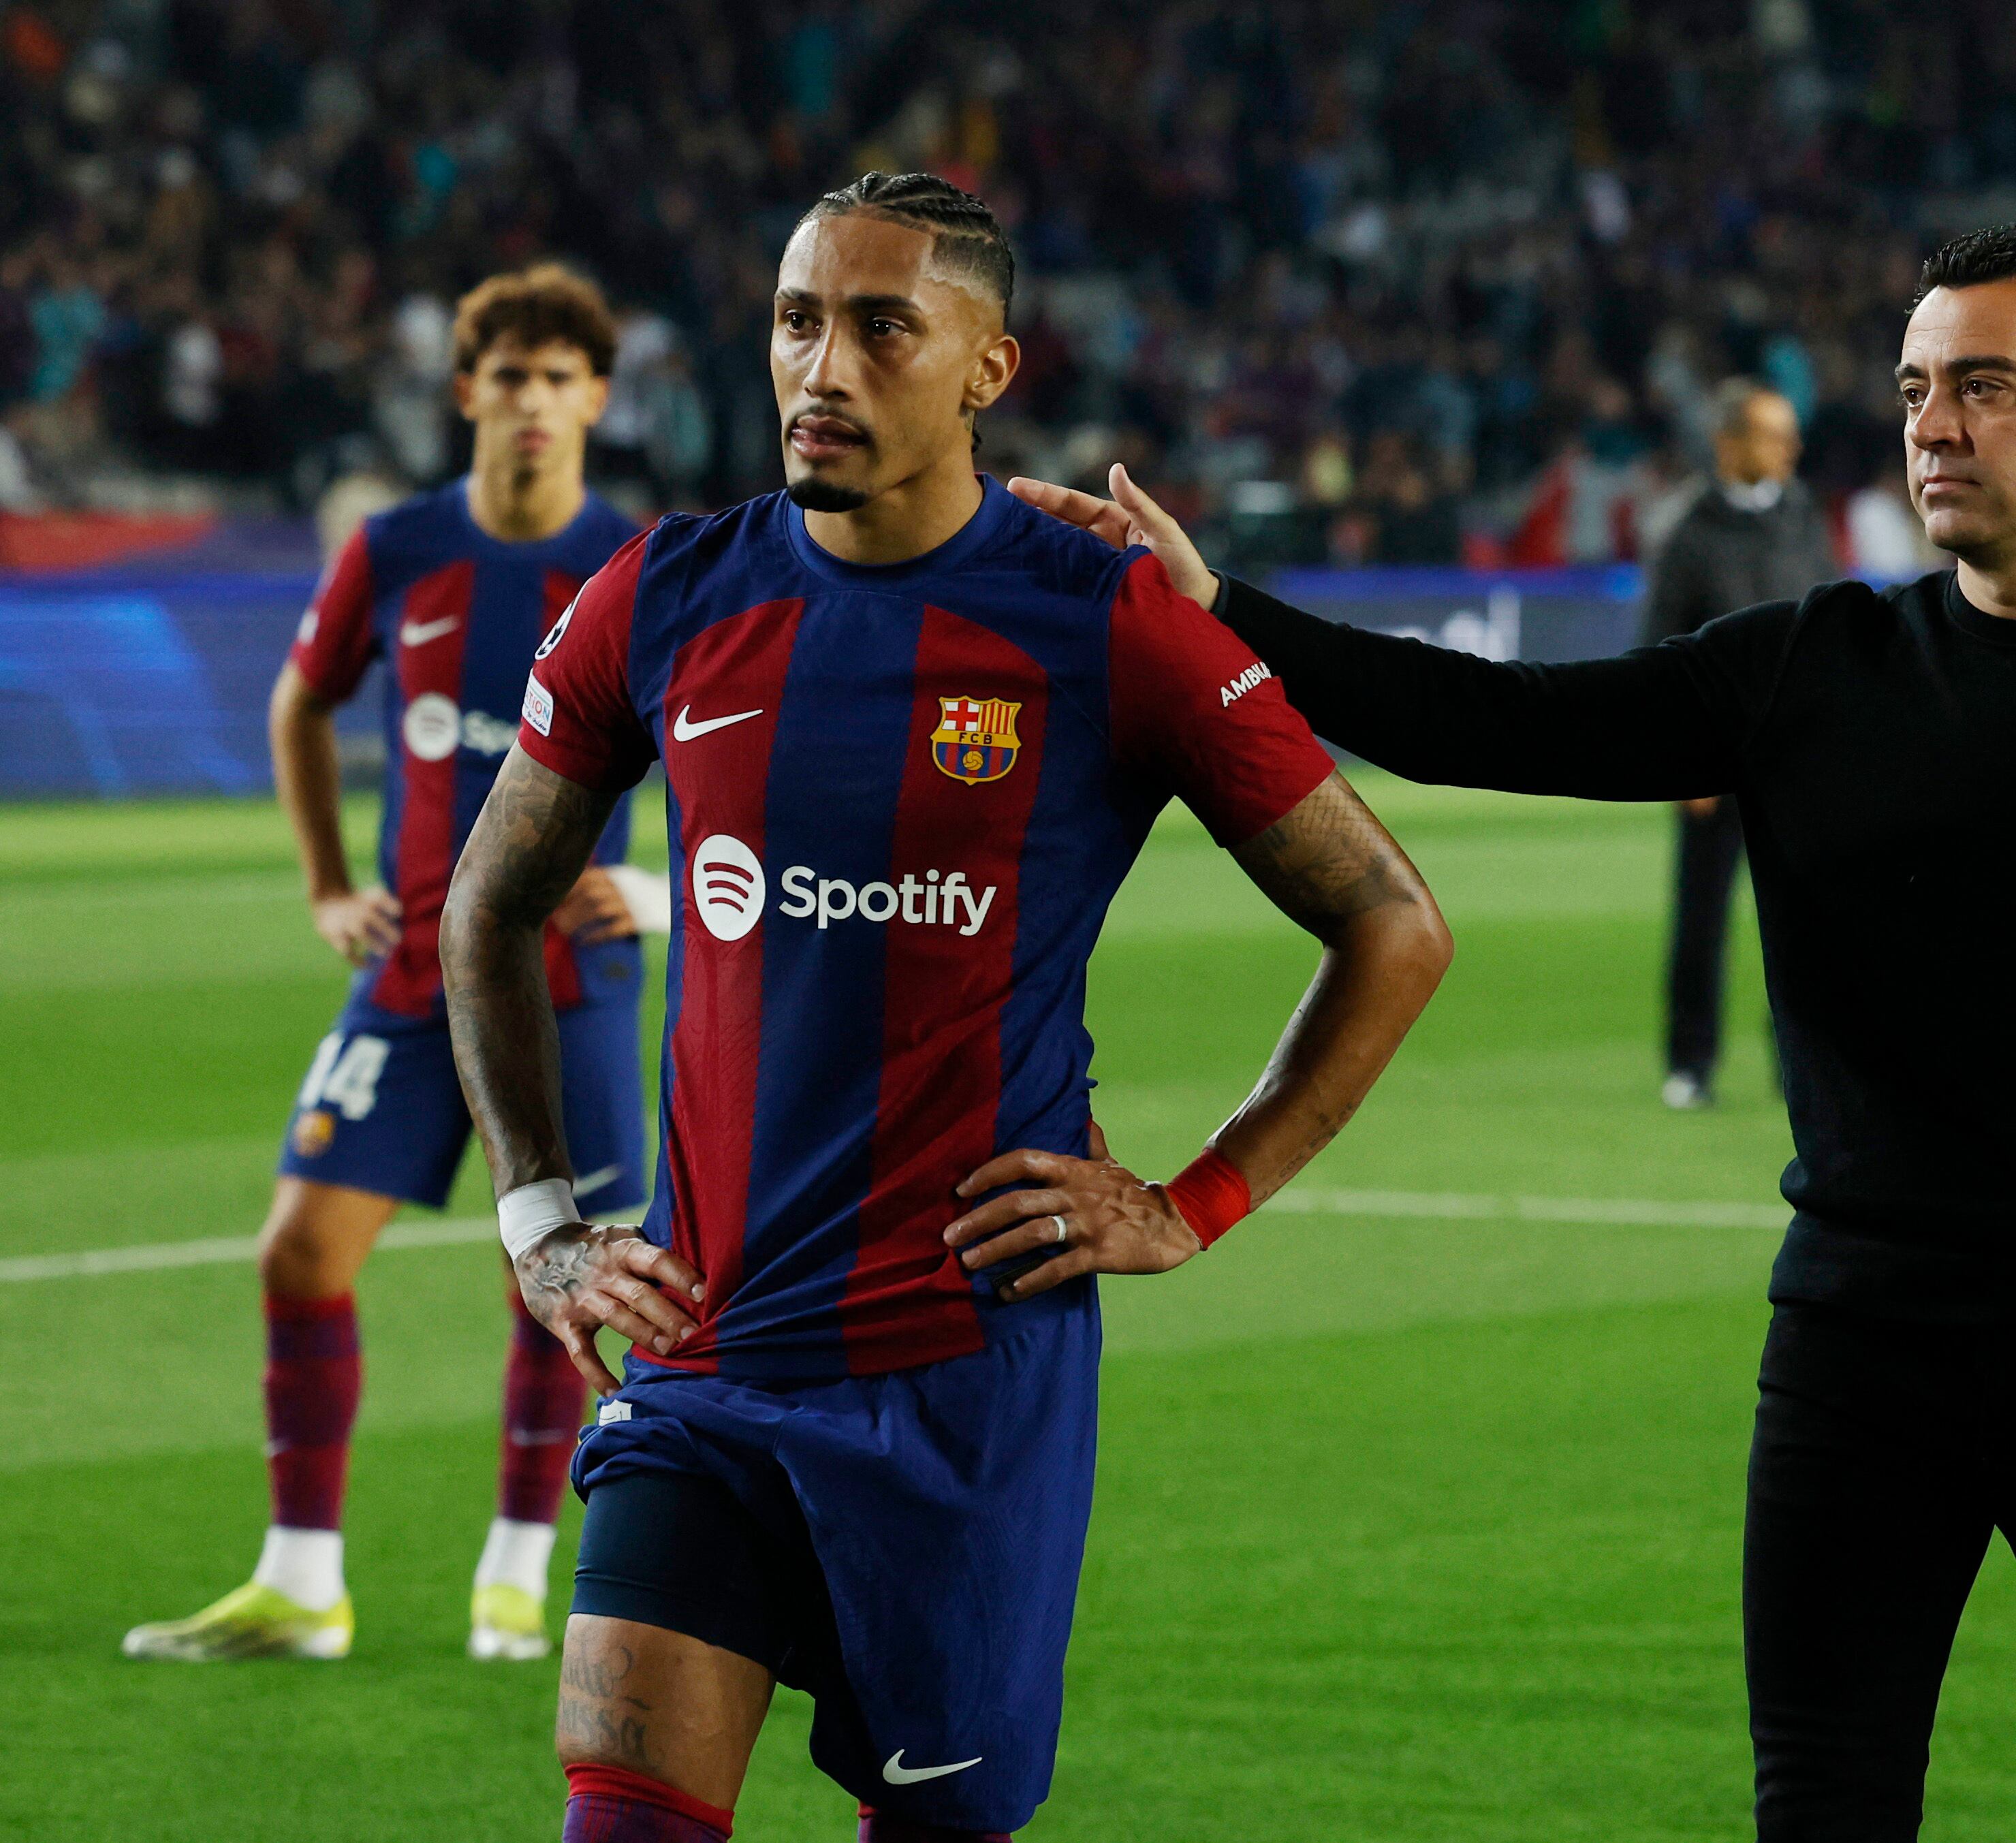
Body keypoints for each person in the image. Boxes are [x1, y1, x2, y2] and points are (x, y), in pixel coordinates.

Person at [1015, 226, 2016, 1843]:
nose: (1930, 426)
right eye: (1910, 390)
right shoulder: (1814, 663)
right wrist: (1219, 606)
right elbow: (1489, 722)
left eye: (1982, 387)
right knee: (1818, 1809)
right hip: (1860, 1343)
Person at [441, 172, 1451, 1843]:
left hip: (960, 1379)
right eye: (794, 320)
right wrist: (540, 1214)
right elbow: (486, 903)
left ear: (988, 367)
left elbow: (1389, 923)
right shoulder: (666, 596)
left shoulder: (1104, 624)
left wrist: (1192, 1201)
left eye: (879, 327)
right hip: (704, 1348)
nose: (819, 368)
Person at [125, 265, 657, 1667]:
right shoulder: (401, 549)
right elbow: (301, 701)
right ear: (466, 389)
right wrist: (324, 889)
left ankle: (516, 1576)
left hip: (570, 994)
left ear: (595, 398)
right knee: (300, 1252)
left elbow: (740, 749)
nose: (533, 401)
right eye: (510, 374)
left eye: (560, 377)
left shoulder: (642, 564)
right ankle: (303, 1582)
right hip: (415, 981)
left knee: (563, 1284)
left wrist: (654, 888)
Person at [1639, 378, 1833, 1108]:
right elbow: (1660, 650)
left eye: (1790, 435)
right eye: (1773, 435)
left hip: (1793, 760)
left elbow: (1828, 620)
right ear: (1729, 444)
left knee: (1805, 926)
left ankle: (1801, 1065)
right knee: (1702, 919)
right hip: (1715, 765)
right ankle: (1689, 1062)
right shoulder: (1687, 531)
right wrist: (1683, 758)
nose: (1791, 449)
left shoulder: (1802, 516)